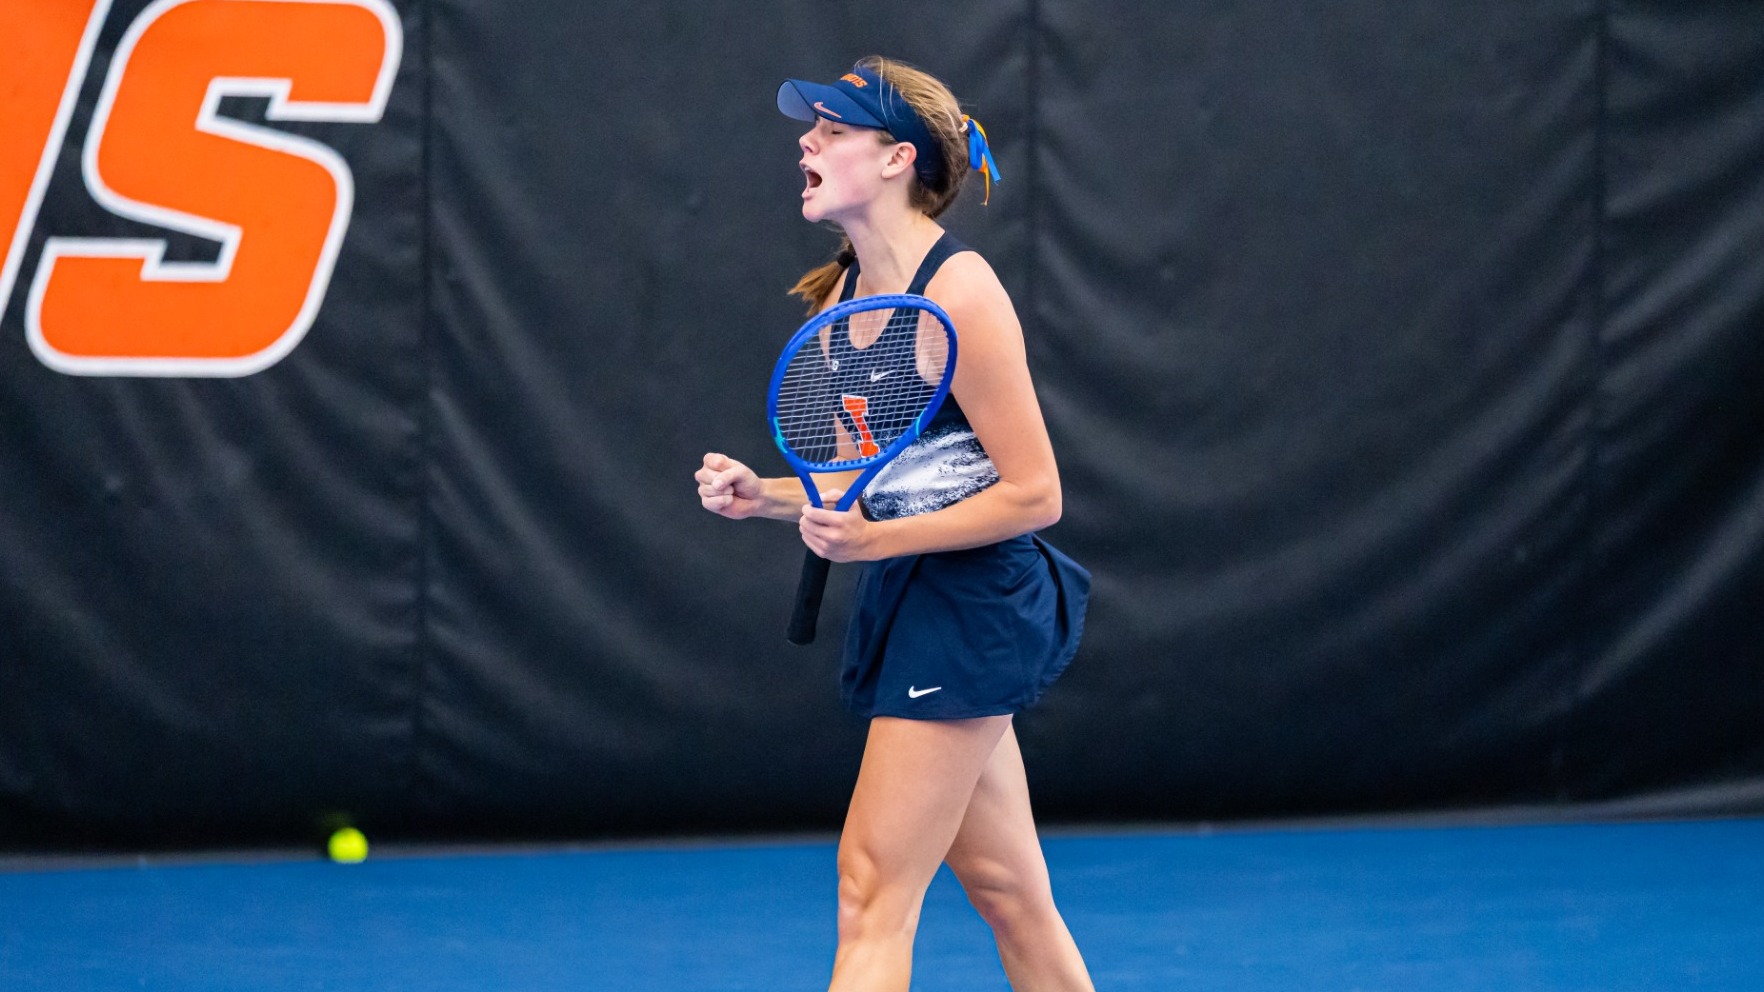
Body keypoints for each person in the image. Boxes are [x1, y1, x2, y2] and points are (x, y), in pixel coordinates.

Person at [695, 56, 1094, 992]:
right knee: (1008, 890)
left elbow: (1036, 496)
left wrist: (873, 542)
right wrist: (767, 493)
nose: (808, 141)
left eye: (833, 130)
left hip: (975, 603)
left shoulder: (962, 294)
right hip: (918, 596)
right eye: (812, 128)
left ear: (894, 159)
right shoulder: (841, 298)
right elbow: (868, 484)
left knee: (869, 889)